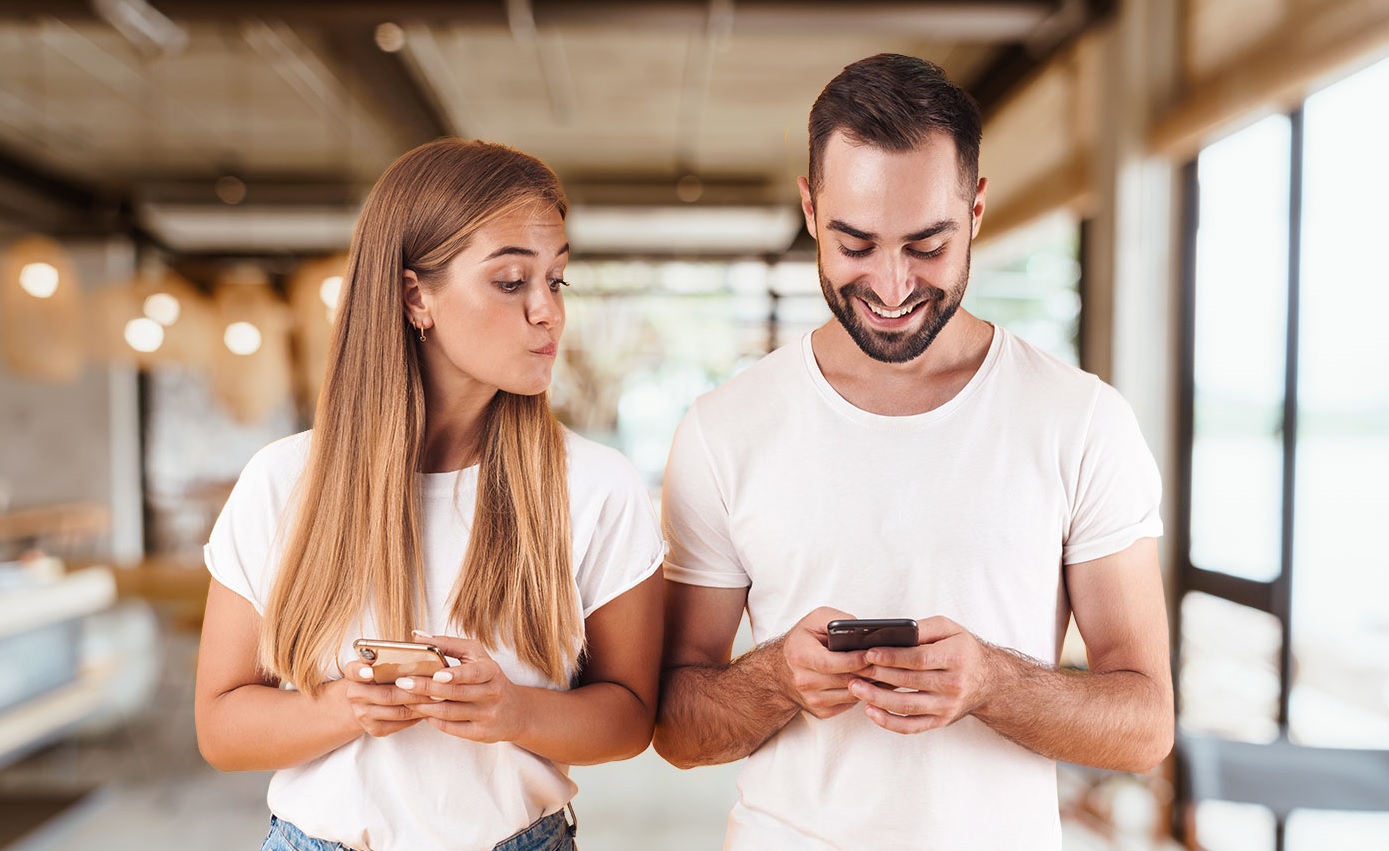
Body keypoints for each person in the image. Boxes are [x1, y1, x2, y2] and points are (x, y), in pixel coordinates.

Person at [653, 53, 1173, 850]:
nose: (891, 287)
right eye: (854, 243)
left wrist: (992, 683)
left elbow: (1143, 725)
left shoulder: (1081, 420)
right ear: (809, 207)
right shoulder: (724, 427)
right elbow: (679, 729)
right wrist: (776, 679)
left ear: (975, 208)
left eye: (926, 245)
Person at [195, 138, 665, 851]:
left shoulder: (597, 487)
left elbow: (630, 717)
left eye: (556, 280)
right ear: (416, 296)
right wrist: (352, 704)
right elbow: (220, 727)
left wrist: (512, 710)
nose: (548, 313)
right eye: (511, 281)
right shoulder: (281, 480)